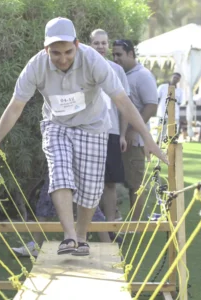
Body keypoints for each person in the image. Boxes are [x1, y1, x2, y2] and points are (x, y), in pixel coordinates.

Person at [0, 17, 167, 256]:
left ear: (77, 44)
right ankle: (69, 236)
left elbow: (122, 101)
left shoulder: (94, 61)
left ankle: (81, 237)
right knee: (60, 172)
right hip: (56, 124)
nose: (62, 58)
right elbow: (15, 106)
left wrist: (147, 138)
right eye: (56, 53)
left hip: (93, 126)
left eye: (68, 51)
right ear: (46, 49)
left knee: (91, 190)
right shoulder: (36, 66)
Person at [112, 39, 159, 221]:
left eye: (119, 55)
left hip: (134, 140)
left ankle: (136, 225)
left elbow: (151, 106)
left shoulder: (143, 75)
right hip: (120, 137)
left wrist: (133, 130)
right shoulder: (120, 74)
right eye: (113, 54)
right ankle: (125, 221)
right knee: (117, 182)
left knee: (135, 184)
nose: (115, 59)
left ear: (131, 54)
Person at [89, 29, 129, 236]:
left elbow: (124, 106)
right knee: (87, 182)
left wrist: (122, 135)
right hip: (88, 132)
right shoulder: (82, 67)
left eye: (104, 43)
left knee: (110, 182)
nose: (100, 47)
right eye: (96, 43)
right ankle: (85, 227)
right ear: (89, 44)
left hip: (111, 132)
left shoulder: (117, 70)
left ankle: (111, 226)